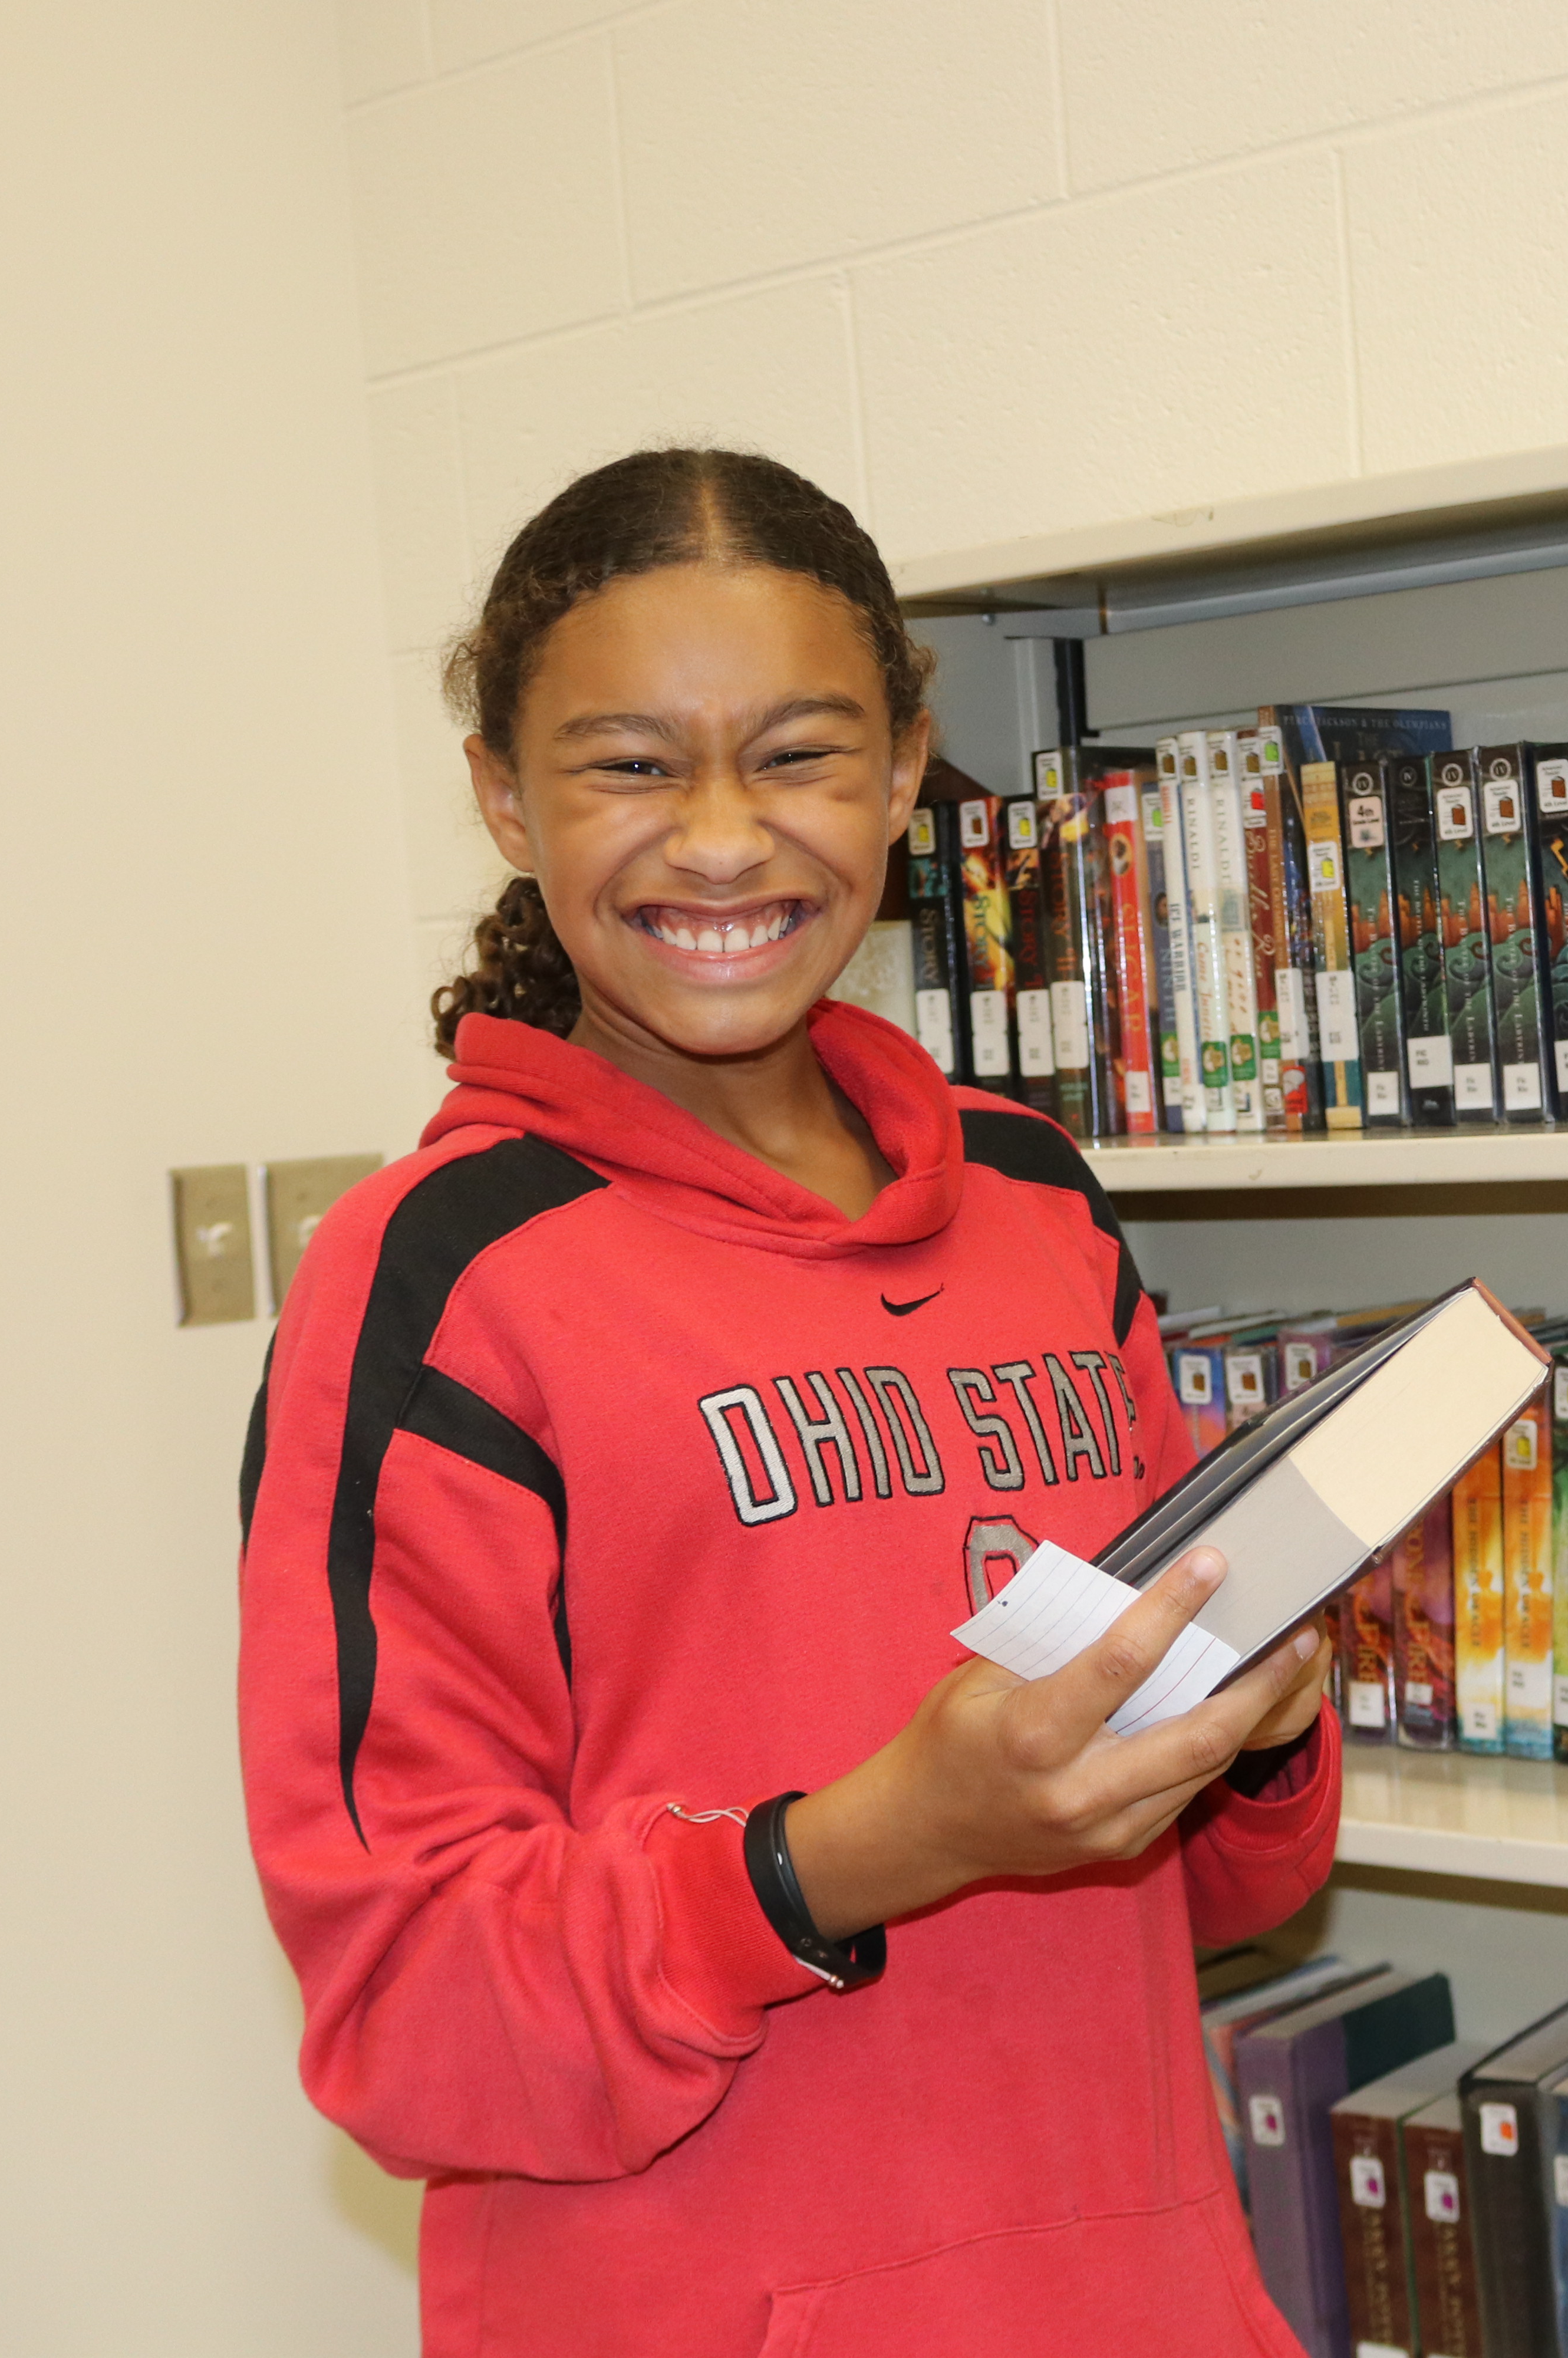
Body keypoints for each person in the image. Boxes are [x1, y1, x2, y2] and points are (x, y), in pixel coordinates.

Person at [238, 448, 1340, 2357]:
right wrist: (862, 1848)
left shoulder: (1037, 1199)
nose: (727, 840)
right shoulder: (434, 1283)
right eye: (633, 765)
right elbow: (409, 2019)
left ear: (908, 770)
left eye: (804, 754)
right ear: (505, 795)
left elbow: (1240, 1891)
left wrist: (1246, 1724)